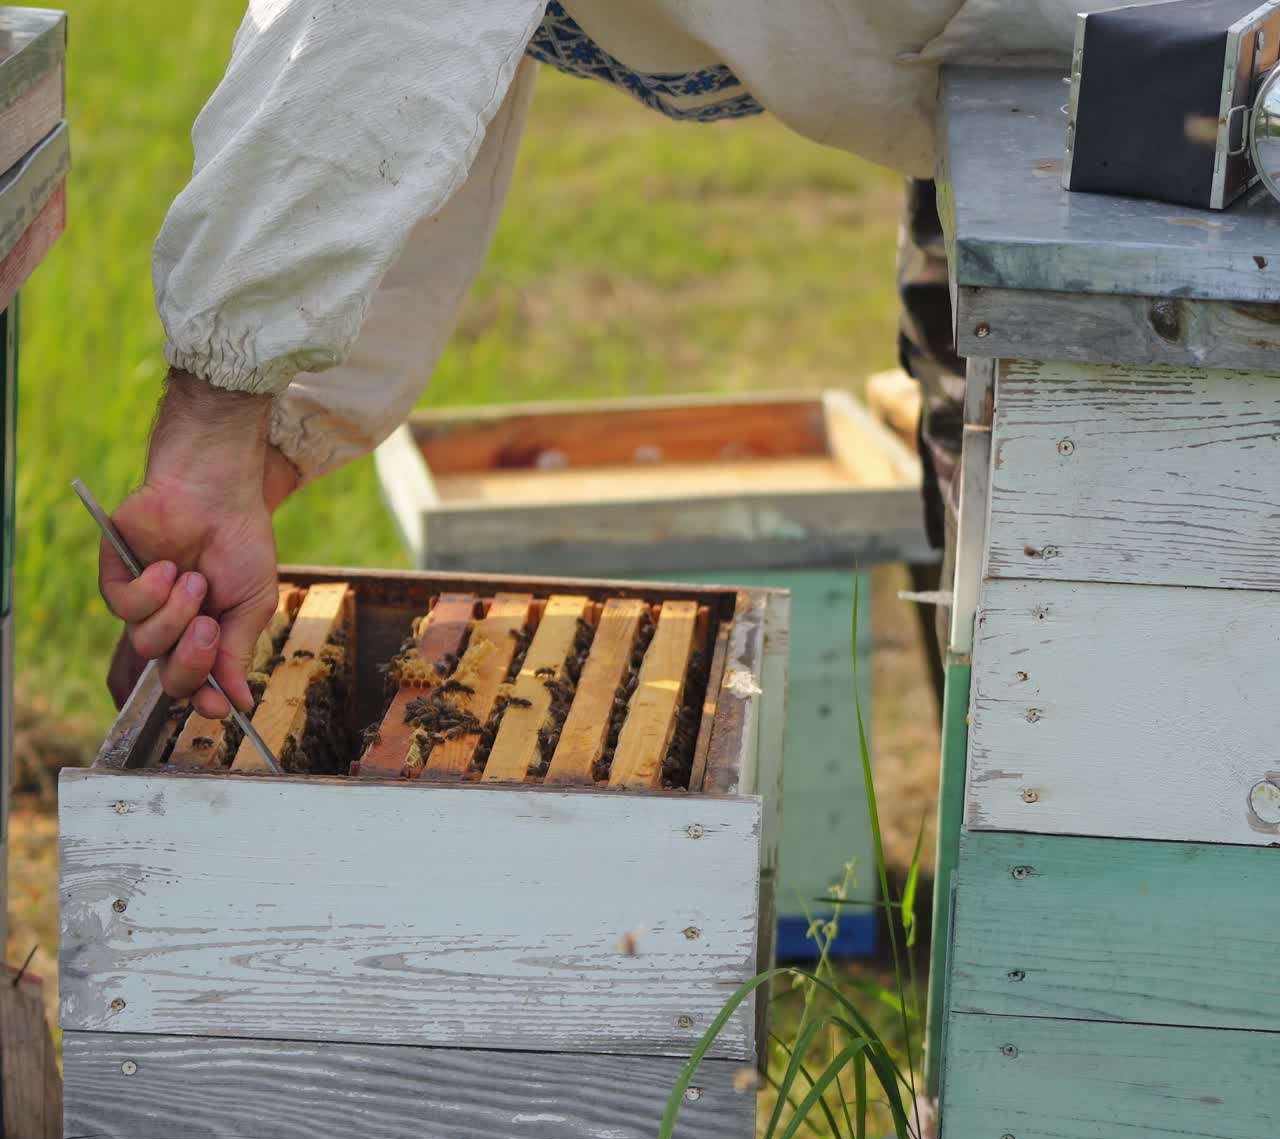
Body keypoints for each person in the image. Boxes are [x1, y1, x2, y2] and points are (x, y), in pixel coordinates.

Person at [100, 0, 1124, 718]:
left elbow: (375, 33)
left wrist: (212, 434)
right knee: (997, 522)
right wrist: (266, 445)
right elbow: (408, 95)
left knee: (1113, 605)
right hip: (996, 98)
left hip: (1175, 91)